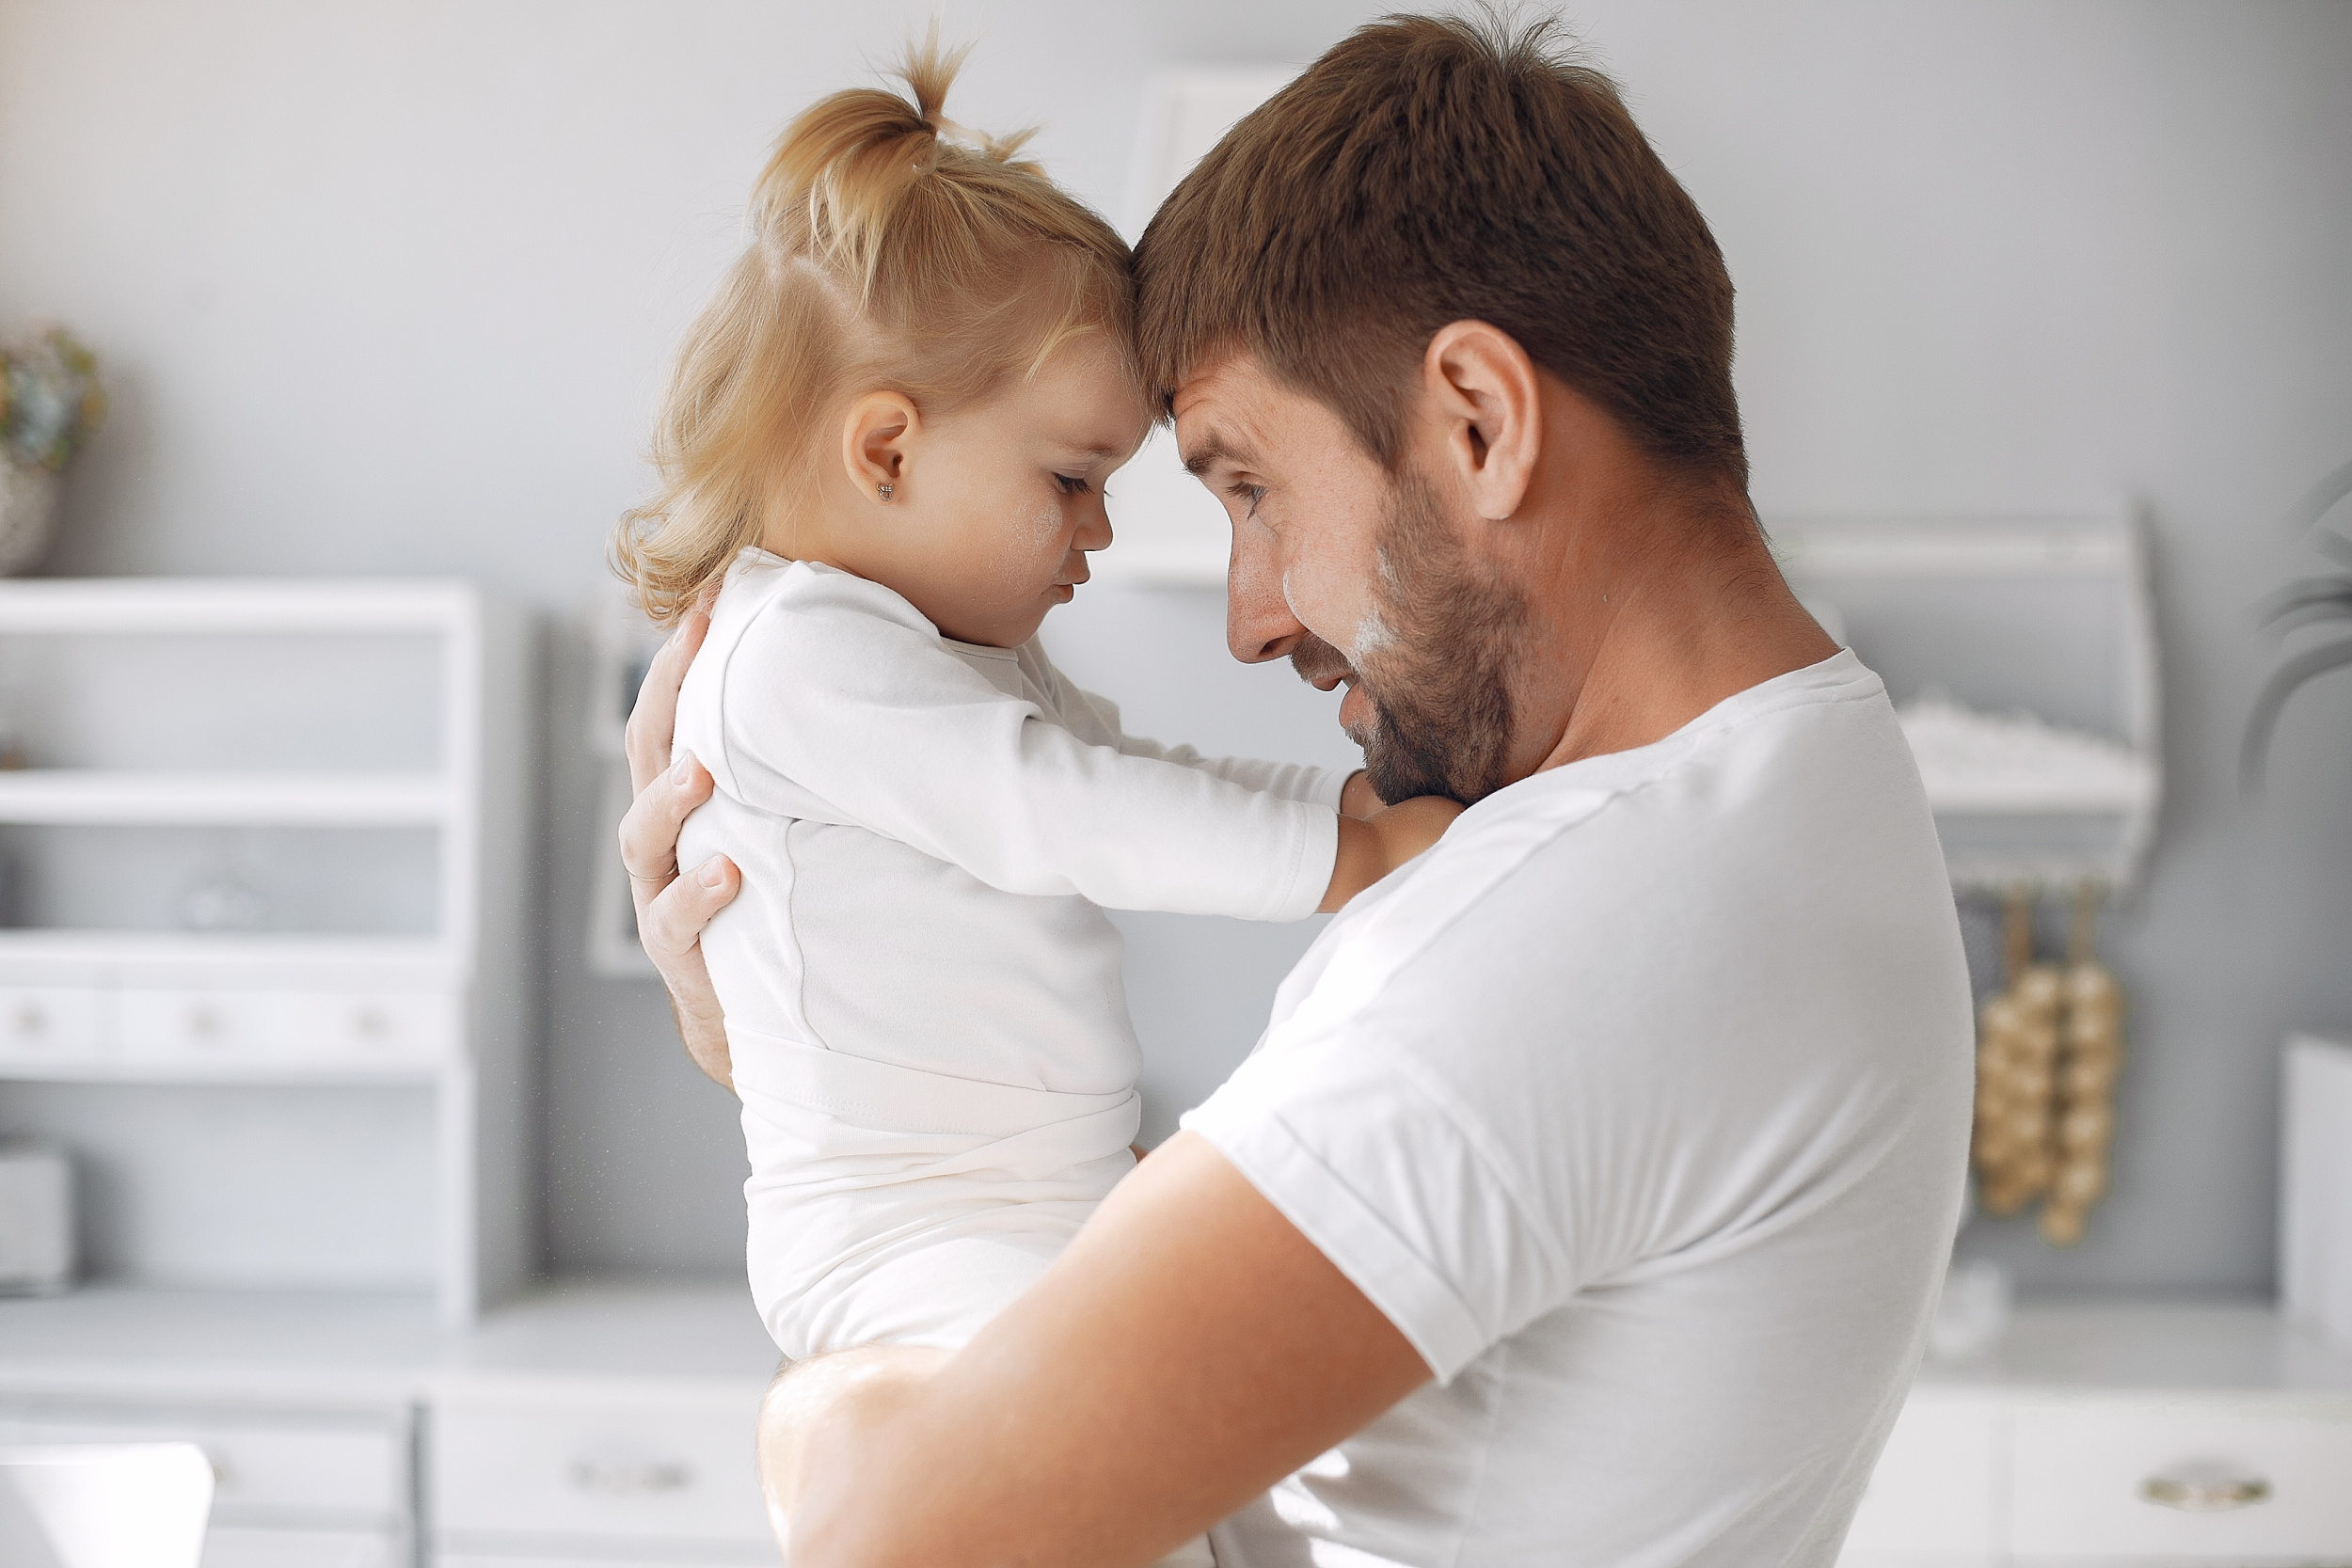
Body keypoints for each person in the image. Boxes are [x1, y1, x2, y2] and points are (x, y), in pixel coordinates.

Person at [619, 12, 1975, 1567]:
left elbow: (901, 1536)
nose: (1249, 615)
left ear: (1480, 420)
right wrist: (815, 1003)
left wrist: (832, 1405)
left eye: (1249, 490)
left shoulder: (1574, 930)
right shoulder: (1804, 788)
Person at [611, 39, 1454, 1564]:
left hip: (1037, 1209)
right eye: (1072, 478)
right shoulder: (797, 653)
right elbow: (1066, 808)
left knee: (1200, 1493)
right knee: (1096, 1487)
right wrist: (1346, 853)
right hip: (915, 1242)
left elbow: (1124, 778)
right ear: (886, 449)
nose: (1101, 531)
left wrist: (1350, 821)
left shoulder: (940, 649)